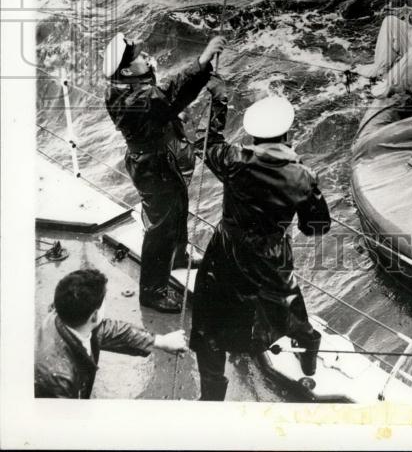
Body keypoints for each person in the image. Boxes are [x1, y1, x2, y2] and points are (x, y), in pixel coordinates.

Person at [189, 89, 332, 400]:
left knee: (209, 325)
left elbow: (204, 141)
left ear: (252, 136)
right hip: (272, 256)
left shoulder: (233, 160)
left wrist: (218, 101)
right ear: (287, 133)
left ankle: (211, 396)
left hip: (227, 251)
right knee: (289, 310)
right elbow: (316, 227)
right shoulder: (302, 176)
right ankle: (308, 359)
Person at [104, 31, 226, 313]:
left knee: (178, 210)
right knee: (161, 228)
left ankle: (178, 258)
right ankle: (151, 291)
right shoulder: (135, 98)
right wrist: (203, 61)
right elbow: (169, 95)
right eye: (139, 57)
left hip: (158, 158)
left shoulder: (125, 84)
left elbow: (161, 95)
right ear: (125, 70)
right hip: (152, 166)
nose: (147, 57)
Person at [35, 267, 187, 398]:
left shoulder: (68, 315)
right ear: (94, 315)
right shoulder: (58, 379)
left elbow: (112, 331)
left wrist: (160, 341)